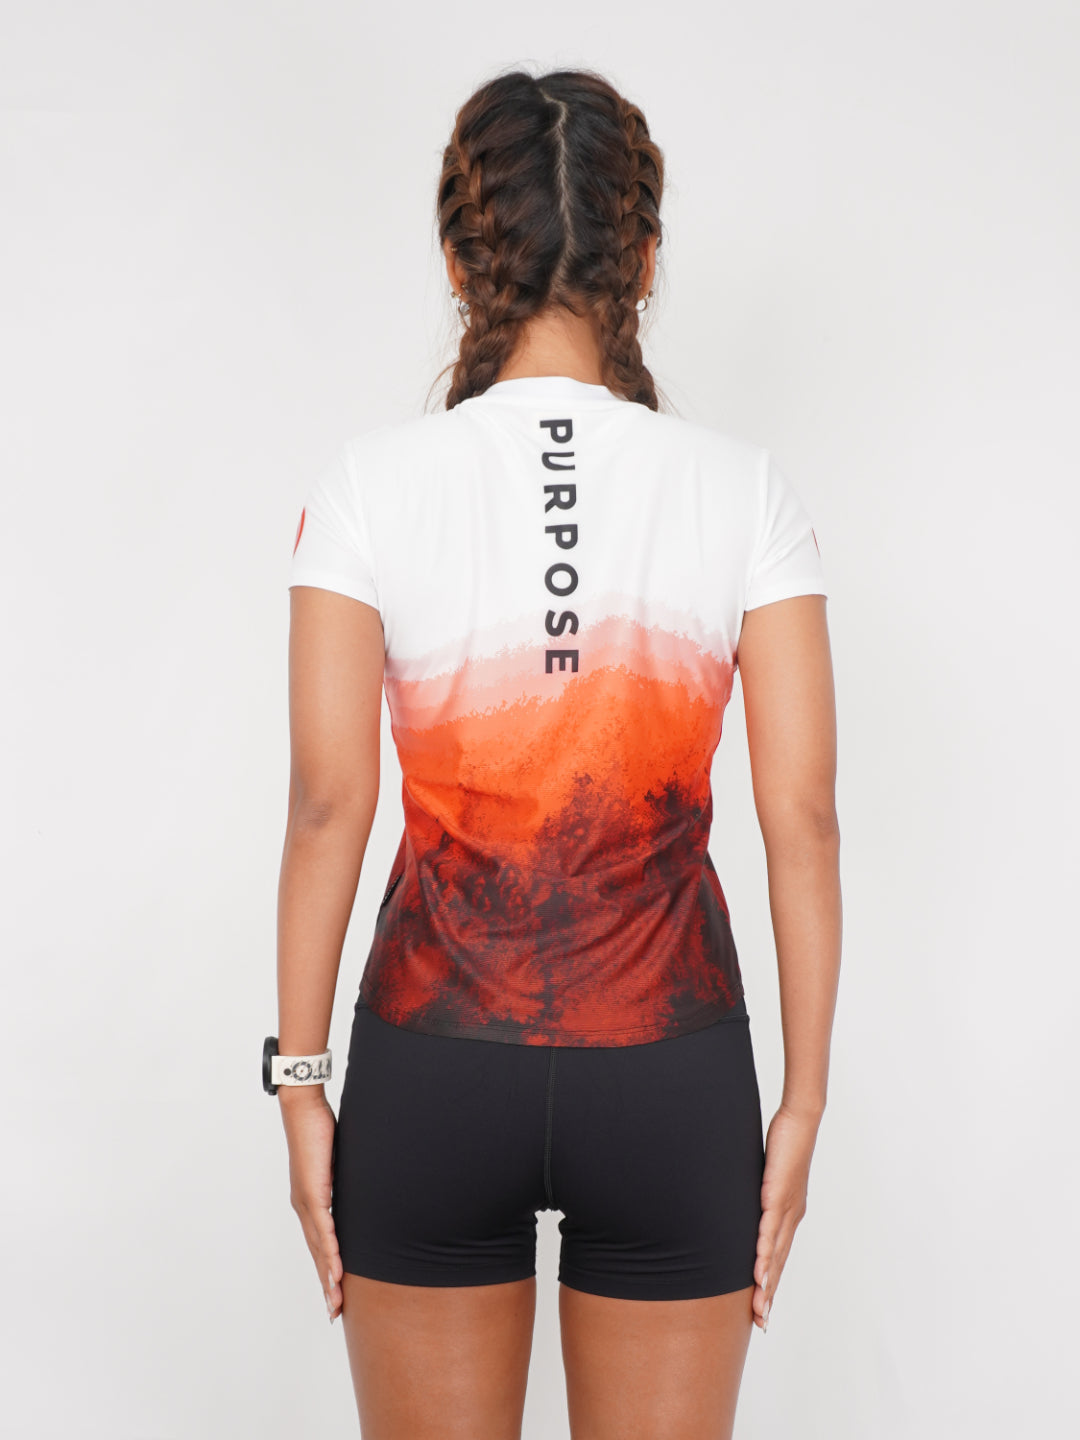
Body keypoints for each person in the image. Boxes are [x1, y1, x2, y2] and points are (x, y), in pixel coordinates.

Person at [275, 65, 841, 1440]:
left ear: (463, 262)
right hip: (670, 1070)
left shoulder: (368, 489)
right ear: (642, 263)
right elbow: (804, 820)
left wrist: (299, 1083)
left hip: (431, 1064)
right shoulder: (743, 492)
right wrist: (803, 1105)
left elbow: (328, 805)